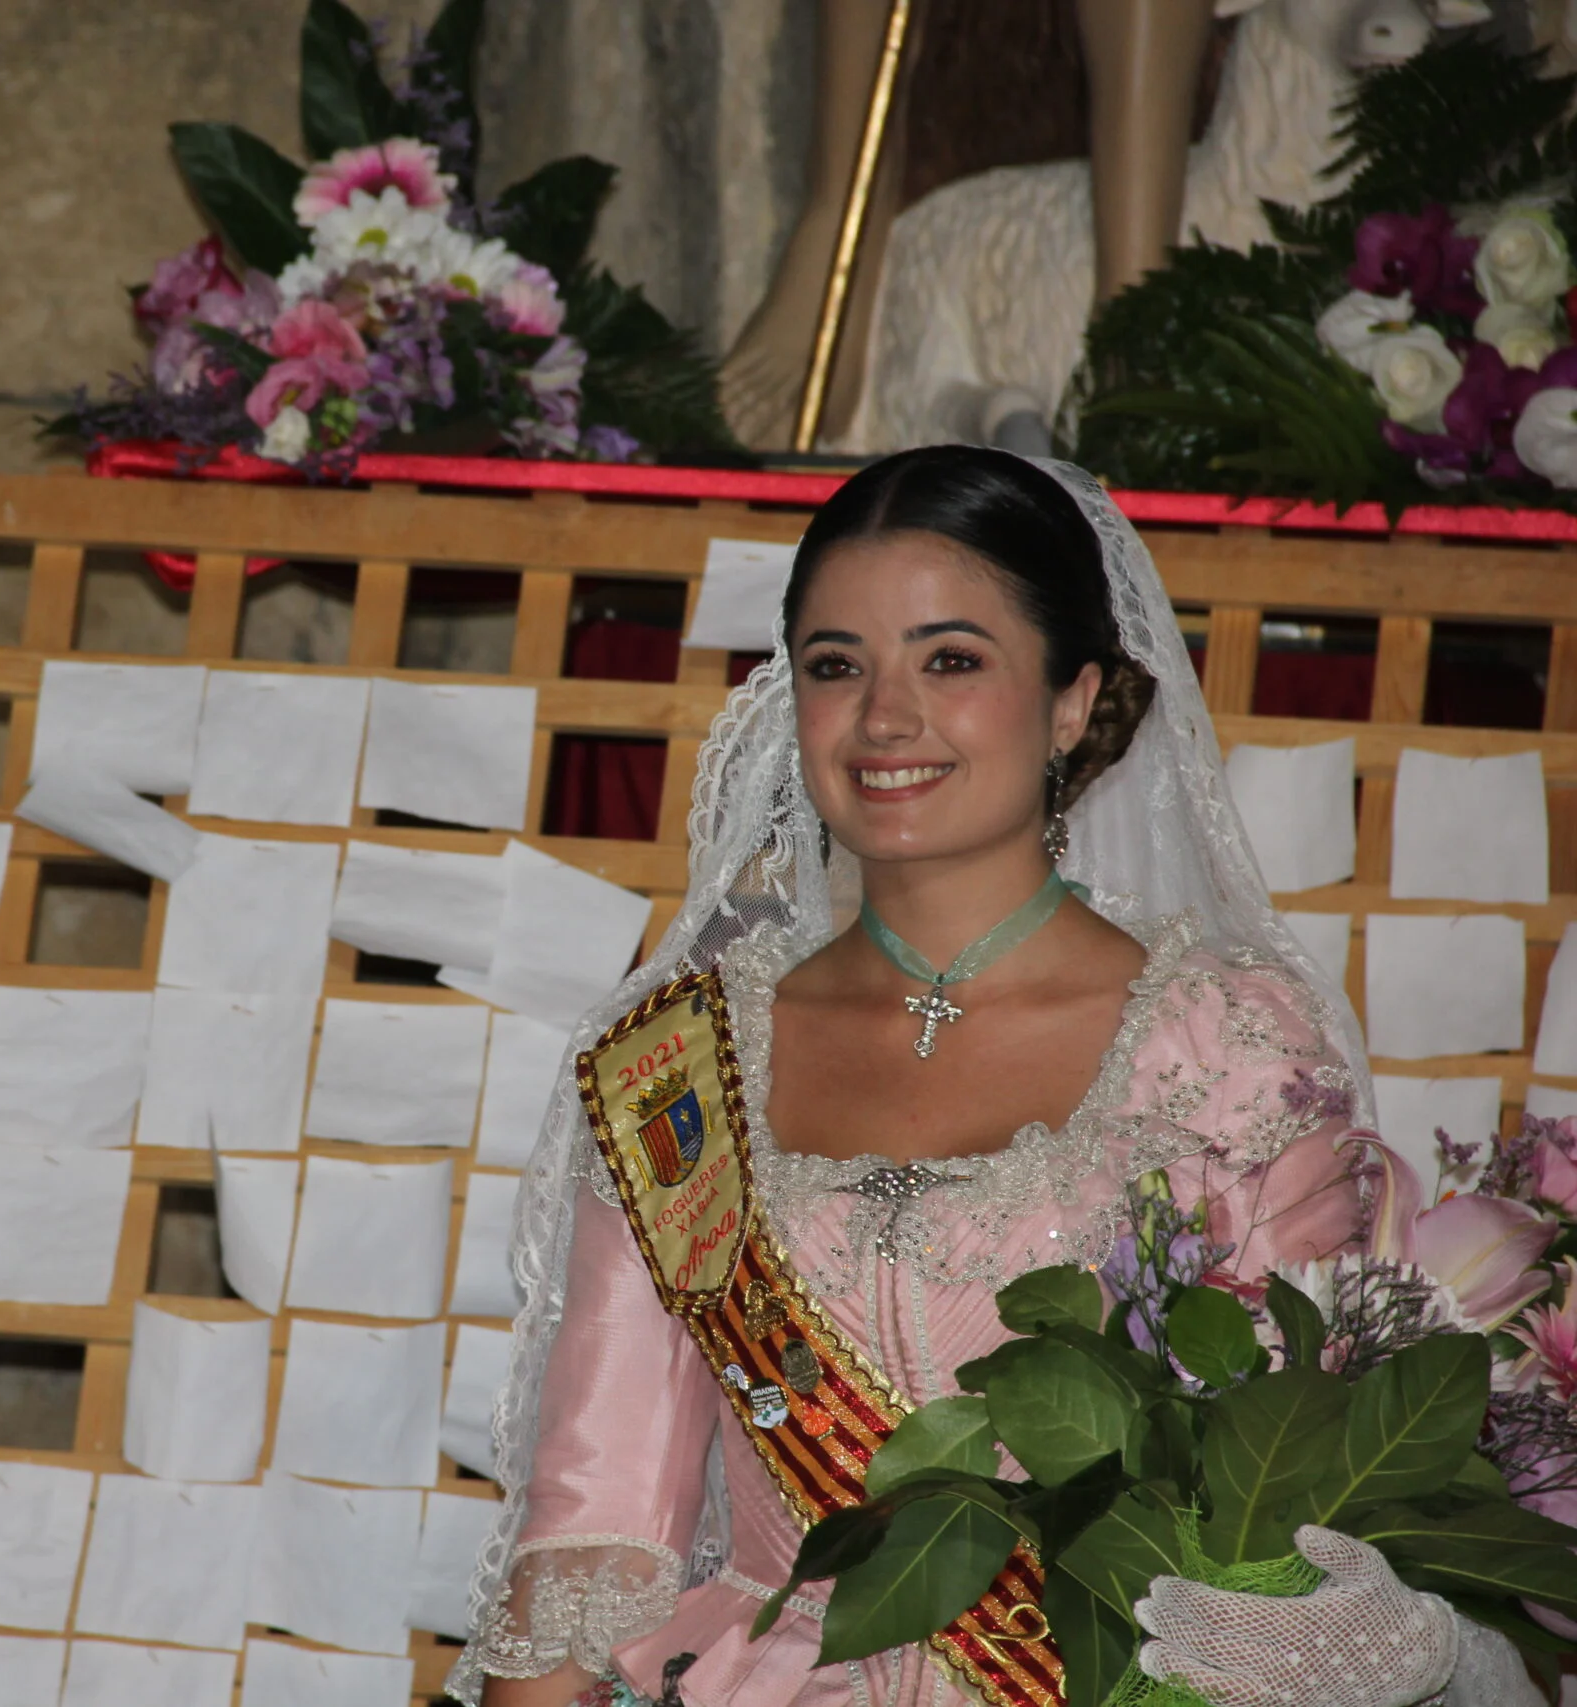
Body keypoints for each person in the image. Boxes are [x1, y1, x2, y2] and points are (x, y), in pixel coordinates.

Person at [453, 446, 1544, 1707]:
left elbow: (1289, 1483)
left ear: (1075, 702)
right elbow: (594, 1531)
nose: (883, 717)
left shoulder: (1225, 1043)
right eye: (834, 665)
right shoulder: (678, 1066)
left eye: (951, 660)